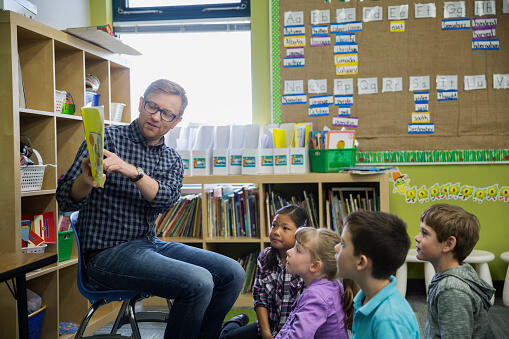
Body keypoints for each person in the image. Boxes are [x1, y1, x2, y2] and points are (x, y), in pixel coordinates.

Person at [56, 79, 245, 339]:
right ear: (141, 104)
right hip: (104, 255)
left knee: (232, 273)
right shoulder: (107, 139)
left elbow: (164, 201)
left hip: (149, 244)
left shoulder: (171, 159)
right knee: (199, 282)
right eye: (152, 107)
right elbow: (65, 200)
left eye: (166, 113)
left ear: (176, 121)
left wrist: (131, 171)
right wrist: (84, 183)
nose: (156, 116)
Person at [220, 205, 307, 339]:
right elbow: (260, 298)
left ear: (300, 233)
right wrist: (266, 334)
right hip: (268, 328)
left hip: (294, 333)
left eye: (285, 228)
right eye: (274, 225)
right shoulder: (265, 256)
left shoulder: (306, 263)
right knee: (225, 338)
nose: (276, 232)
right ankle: (234, 322)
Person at [335, 210, 419, 339]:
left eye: (343, 244)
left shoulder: (389, 319)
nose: (336, 248)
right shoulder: (364, 298)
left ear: (361, 262)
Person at [415, 204, 495, 338]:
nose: (417, 238)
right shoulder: (449, 275)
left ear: (448, 244)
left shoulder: (451, 289)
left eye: (424, 233)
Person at [275, 227, 354, 339]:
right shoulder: (332, 285)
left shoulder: (316, 296)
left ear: (315, 266)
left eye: (298, 250)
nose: (288, 251)